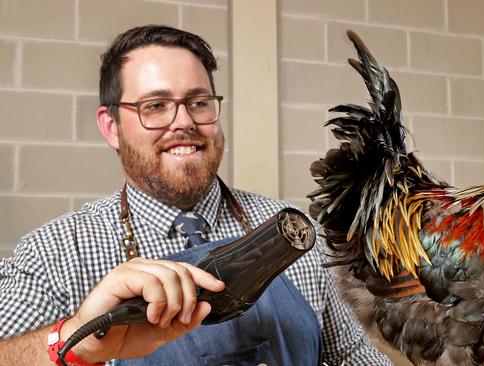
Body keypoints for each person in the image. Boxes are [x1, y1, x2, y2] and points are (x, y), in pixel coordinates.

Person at [0, 25, 391, 365]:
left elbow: (353, 355)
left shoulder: (293, 232)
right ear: (111, 126)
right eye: (156, 106)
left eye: (199, 102)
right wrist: (75, 341)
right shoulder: (53, 254)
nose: (184, 122)